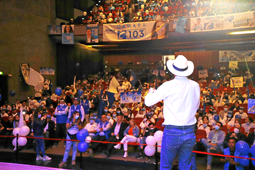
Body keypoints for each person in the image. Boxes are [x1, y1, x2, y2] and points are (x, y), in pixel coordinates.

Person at [144, 55, 200, 170]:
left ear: (174, 71)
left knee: (165, 166)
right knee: (185, 166)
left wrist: (151, 92)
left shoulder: (168, 85)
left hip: (172, 131)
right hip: (189, 130)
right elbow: (196, 106)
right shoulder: (195, 85)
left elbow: (148, 102)